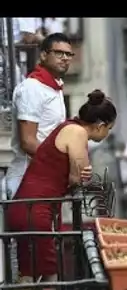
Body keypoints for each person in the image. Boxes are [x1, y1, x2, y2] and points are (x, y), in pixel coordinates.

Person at [7, 89, 116, 290]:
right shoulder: (78, 133)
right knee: (51, 274)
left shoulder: (67, 127)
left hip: (24, 207)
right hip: (37, 210)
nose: (107, 134)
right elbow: (78, 177)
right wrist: (81, 175)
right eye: (109, 129)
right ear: (100, 125)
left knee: (27, 274)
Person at [6, 33, 76, 199]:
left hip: (46, 178)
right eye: (59, 53)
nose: (65, 58)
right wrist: (62, 163)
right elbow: (28, 142)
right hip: (27, 180)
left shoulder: (54, 87)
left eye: (69, 54)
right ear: (44, 55)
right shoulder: (32, 88)